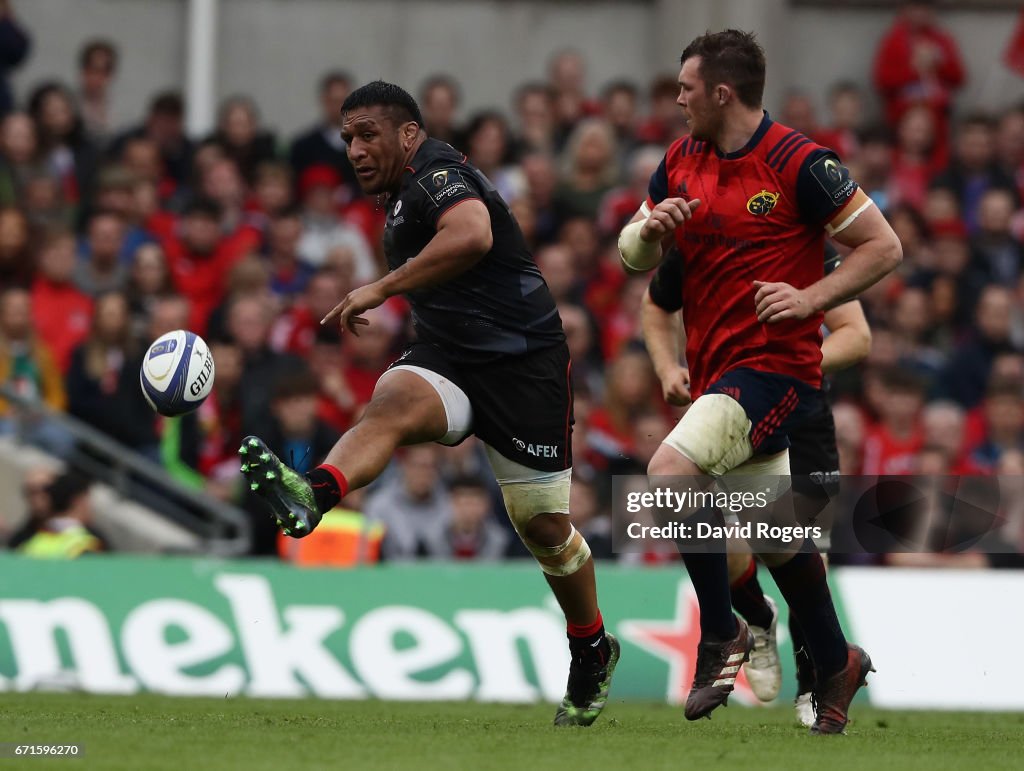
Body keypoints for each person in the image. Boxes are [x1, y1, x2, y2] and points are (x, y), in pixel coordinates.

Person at [240, 80, 618, 726]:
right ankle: (314, 491)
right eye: (348, 138)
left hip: (524, 366)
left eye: (368, 134)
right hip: (450, 355)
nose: (355, 149)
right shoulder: (396, 198)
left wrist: (381, 287)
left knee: (544, 528)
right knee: (388, 403)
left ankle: (591, 648)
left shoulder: (435, 172)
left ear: (408, 134)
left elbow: (470, 235)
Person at [617, 30, 902, 733]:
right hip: (720, 372)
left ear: (722, 92)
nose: (676, 100)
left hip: (776, 371)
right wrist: (654, 230)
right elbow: (632, 259)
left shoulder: (801, 163)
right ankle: (836, 659)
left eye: (686, 88)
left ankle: (722, 633)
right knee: (777, 537)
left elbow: (884, 246)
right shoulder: (681, 159)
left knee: (669, 468)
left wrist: (810, 301)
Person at [642, 242, 873, 726]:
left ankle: (813, 685)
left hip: (802, 413)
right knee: (728, 550)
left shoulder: (807, 247)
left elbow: (856, 335)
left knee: (802, 549)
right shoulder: (702, 239)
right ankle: (758, 619)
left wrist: (794, 362)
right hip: (731, 410)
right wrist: (666, 367)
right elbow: (656, 302)